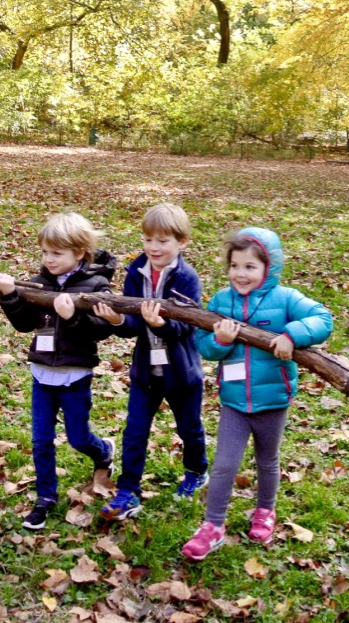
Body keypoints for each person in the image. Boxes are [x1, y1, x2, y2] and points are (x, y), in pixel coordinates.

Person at [181, 228, 333, 560]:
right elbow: (203, 346)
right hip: (234, 399)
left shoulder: (286, 298)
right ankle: (213, 525)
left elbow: (323, 319)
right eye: (235, 265)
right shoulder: (221, 301)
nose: (240, 273)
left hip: (273, 398)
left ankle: (265, 510)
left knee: (267, 460)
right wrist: (220, 341)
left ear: (269, 267)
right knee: (224, 465)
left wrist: (292, 335)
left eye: (250, 266)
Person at [0, 212, 119, 531]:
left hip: (75, 376)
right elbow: (24, 324)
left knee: (79, 438)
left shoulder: (96, 284)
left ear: (79, 253)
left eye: (57, 253)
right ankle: (45, 497)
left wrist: (73, 317)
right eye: (45, 252)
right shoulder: (39, 283)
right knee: (41, 441)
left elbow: (102, 331)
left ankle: (103, 450)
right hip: (42, 374)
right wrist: (9, 296)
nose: (49, 259)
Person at [94, 203, 209, 520]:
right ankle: (129, 491)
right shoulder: (136, 271)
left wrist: (163, 325)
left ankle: (197, 471)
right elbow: (132, 324)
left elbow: (190, 324)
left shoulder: (187, 278)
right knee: (134, 431)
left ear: (182, 242)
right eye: (148, 239)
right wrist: (117, 319)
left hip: (181, 371)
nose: (153, 247)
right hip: (146, 369)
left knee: (189, 428)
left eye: (162, 241)